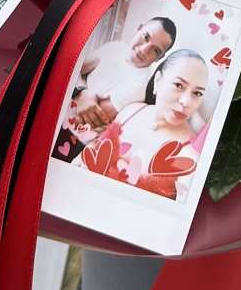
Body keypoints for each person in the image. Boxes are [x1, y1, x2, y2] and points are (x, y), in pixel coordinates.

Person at [86, 49, 212, 199]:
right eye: (179, 85)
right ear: (158, 81)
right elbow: (95, 152)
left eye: (197, 93)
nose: (186, 102)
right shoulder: (132, 111)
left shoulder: (188, 156)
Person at [56, 13, 176, 159]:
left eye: (156, 50)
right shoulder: (116, 47)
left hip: (74, 138)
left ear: (160, 58)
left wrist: (81, 89)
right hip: (58, 109)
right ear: (139, 28)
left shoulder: (140, 86)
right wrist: (84, 92)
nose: (144, 50)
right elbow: (74, 71)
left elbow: (92, 115)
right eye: (146, 37)